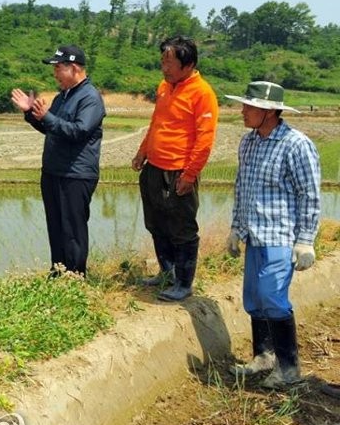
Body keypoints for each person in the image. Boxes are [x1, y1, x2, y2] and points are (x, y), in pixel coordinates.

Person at [225, 81, 321, 389]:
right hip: (255, 235)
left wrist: (305, 240)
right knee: (254, 298)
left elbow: (309, 194)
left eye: (249, 107)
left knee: (272, 297)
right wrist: (236, 229)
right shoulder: (249, 143)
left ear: (268, 112)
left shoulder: (296, 144)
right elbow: (242, 188)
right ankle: (264, 356)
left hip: (280, 235)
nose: (243, 111)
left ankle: (289, 368)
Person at [131, 36, 218, 302]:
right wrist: (143, 151)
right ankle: (166, 273)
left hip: (178, 171)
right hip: (154, 168)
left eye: (169, 63)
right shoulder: (164, 87)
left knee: (182, 229)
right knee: (156, 223)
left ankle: (183, 282)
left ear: (188, 65)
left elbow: (205, 139)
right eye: (162, 61)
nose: (164, 68)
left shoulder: (202, 93)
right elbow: (156, 123)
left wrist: (189, 175)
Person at [11, 44, 105, 276]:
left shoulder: (90, 98)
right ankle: (58, 273)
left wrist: (47, 117)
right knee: (56, 226)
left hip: (75, 174)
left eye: (58, 68)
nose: (55, 74)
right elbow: (51, 128)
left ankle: (75, 278)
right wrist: (30, 113)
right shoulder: (62, 97)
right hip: (53, 172)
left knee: (72, 229)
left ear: (74, 68)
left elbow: (79, 131)